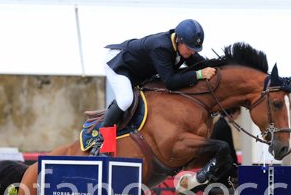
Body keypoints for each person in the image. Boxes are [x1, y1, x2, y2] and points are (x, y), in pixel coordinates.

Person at [91, 19, 217, 155]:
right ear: (178, 40)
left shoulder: (184, 47)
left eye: (194, 49)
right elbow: (170, 82)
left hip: (137, 70)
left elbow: (203, 64)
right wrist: (199, 74)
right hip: (119, 63)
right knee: (126, 99)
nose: (192, 52)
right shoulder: (161, 47)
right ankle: (101, 141)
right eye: (189, 48)